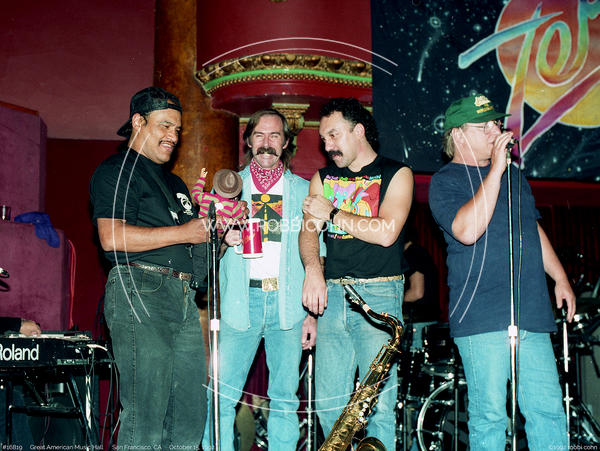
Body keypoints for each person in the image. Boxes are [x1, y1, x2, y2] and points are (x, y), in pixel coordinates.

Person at [428, 93, 576, 450]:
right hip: (481, 315)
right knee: (490, 418)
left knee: (548, 413)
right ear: (458, 134)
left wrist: (560, 278)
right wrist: (495, 169)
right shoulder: (445, 181)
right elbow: (467, 230)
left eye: (497, 123)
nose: (497, 131)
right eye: (486, 126)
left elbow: (532, 230)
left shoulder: (515, 178)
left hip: (531, 312)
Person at [89, 86, 208, 449]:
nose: (174, 135)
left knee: (189, 419)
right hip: (141, 290)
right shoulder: (116, 170)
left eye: (178, 129)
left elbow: (189, 243)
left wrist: (219, 237)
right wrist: (186, 231)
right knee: (146, 419)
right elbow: (111, 237)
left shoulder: (175, 183)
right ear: (138, 122)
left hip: (183, 297)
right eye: (165, 126)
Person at [202, 108, 320, 451]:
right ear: (248, 141)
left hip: (289, 304)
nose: (267, 143)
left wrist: (311, 314)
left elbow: (318, 255)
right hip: (241, 304)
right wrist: (223, 240)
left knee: (285, 398)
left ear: (285, 143)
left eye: (274, 135)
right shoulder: (227, 189)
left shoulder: (304, 191)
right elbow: (205, 254)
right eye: (259, 135)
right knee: (221, 395)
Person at [300, 97, 414, 449]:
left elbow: (386, 233)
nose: (327, 146)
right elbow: (308, 232)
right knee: (329, 405)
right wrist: (312, 270)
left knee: (377, 407)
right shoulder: (322, 178)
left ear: (359, 130)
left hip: (379, 295)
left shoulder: (397, 173)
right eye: (324, 139)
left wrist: (333, 213)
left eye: (334, 135)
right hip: (333, 295)